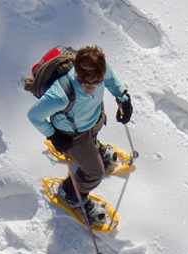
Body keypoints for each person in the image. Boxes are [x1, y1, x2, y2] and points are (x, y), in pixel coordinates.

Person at [27, 45, 132, 223]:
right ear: (77, 73)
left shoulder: (101, 68)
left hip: (92, 117)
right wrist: (54, 136)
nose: (90, 88)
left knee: (94, 132)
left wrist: (123, 97)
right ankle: (71, 194)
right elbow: (34, 116)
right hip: (71, 133)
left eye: (96, 83)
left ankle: (94, 148)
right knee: (94, 173)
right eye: (84, 83)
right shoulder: (60, 94)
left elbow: (110, 79)